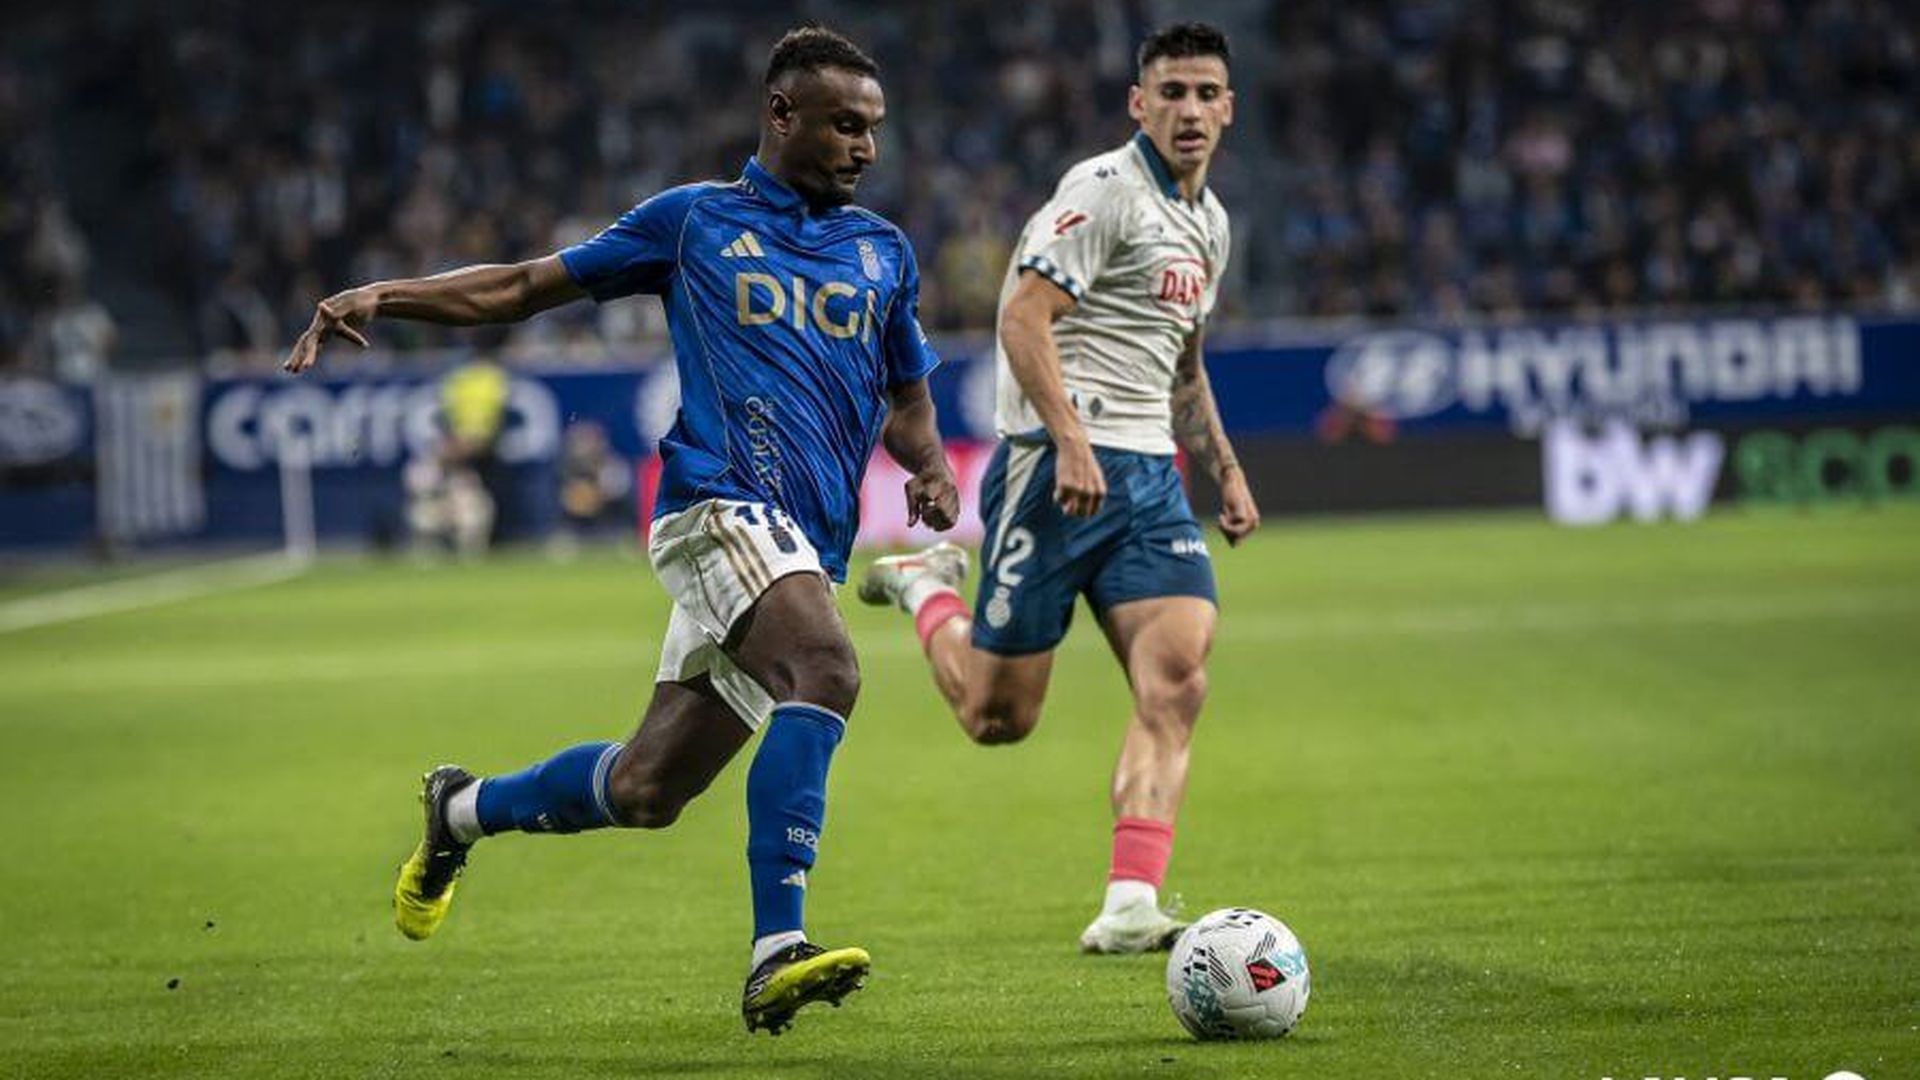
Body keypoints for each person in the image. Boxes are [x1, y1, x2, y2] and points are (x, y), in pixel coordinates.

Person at [283, 27, 959, 1034]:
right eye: (844, 125)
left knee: (647, 788)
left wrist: (934, 463)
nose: (865, 147)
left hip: (802, 543)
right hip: (715, 508)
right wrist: (388, 294)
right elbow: (522, 288)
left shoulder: (883, 252)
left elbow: (908, 397)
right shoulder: (694, 222)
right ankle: (778, 949)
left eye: (874, 129)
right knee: (826, 669)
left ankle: (459, 810)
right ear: (781, 114)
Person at [859, 23, 1256, 954]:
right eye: (1173, 93)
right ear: (1139, 103)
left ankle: (1129, 903)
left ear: (1229, 107)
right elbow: (1023, 317)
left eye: (1206, 94)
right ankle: (927, 588)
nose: (1190, 110)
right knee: (999, 718)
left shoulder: (1212, 224)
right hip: (1054, 471)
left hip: (1150, 478)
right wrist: (1070, 438)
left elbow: (1183, 365)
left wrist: (1228, 472)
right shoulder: (1103, 192)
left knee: (1179, 679)